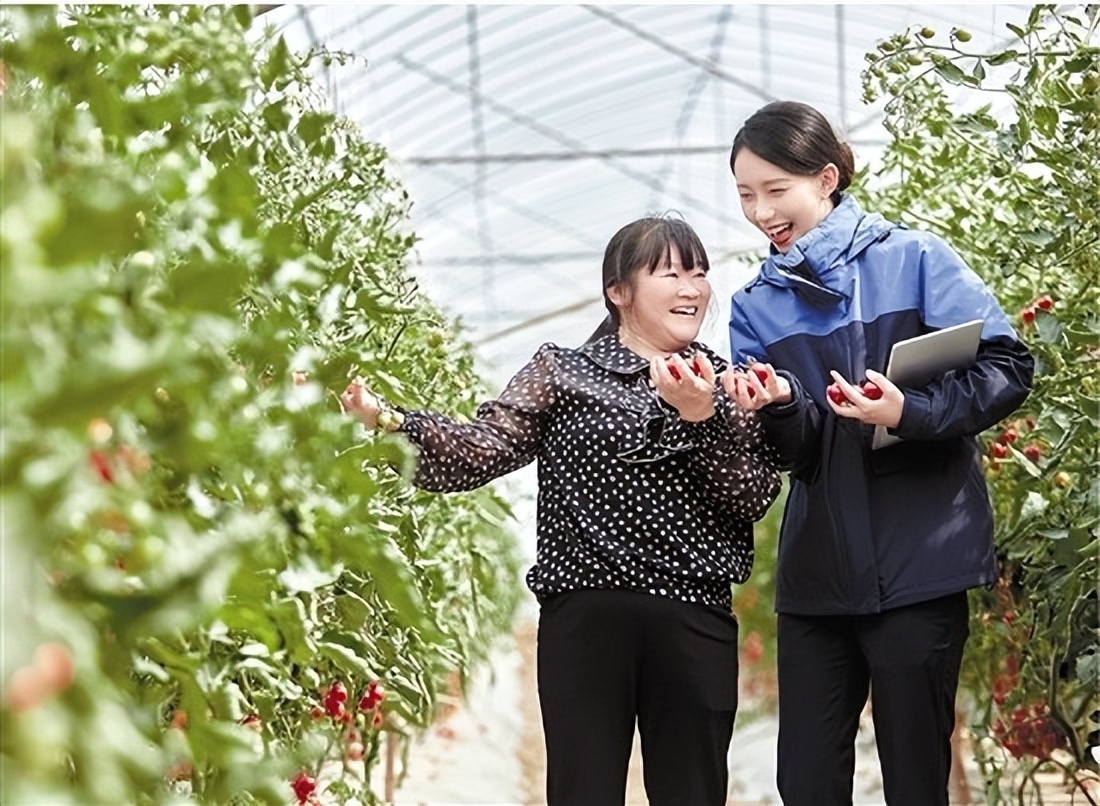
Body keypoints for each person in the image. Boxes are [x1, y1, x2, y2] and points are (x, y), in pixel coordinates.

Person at [341, 215, 781, 806]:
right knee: (583, 789)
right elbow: (480, 450)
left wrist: (701, 417)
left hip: (693, 618)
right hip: (586, 618)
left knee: (693, 792)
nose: (691, 288)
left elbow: (751, 495)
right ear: (617, 291)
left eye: (699, 273)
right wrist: (386, 419)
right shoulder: (563, 372)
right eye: (670, 273)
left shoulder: (726, 385)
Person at [720, 101, 1034, 806]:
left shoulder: (914, 260)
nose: (761, 211)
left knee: (914, 778)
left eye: (776, 191)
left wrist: (909, 411)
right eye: (745, 195)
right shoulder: (753, 307)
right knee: (805, 781)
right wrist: (778, 408)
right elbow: (791, 454)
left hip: (919, 560)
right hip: (819, 571)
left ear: (826, 178)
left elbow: (1007, 366)